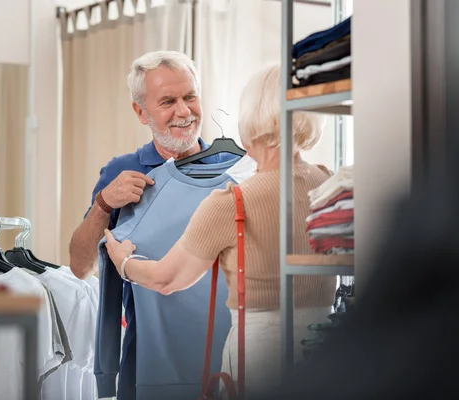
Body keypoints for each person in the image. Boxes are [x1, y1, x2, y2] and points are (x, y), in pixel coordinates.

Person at [104, 63, 337, 397]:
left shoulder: (232, 202)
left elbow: (166, 280)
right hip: (325, 354)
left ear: (251, 119)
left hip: (259, 361)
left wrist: (123, 262)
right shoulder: (329, 185)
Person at [68, 50, 236, 399]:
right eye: (167, 101)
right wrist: (103, 204)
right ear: (140, 112)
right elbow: (80, 267)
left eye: (190, 96)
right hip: (148, 364)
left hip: (229, 361)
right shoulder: (122, 173)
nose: (184, 111)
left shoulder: (233, 178)